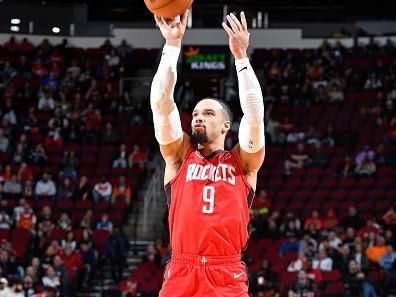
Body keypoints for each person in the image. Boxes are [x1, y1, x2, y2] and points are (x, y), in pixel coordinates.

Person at [151, 10, 265, 297]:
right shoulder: (179, 156)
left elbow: (254, 115)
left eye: (208, 113)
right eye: (197, 112)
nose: (198, 117)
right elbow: (161, 103)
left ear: (226, 125)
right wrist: (172, 45)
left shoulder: (243, 162)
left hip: (226, 272)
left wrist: (241, 57)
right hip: (181, 269)